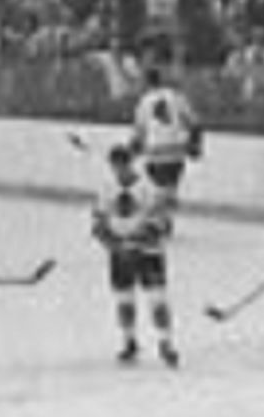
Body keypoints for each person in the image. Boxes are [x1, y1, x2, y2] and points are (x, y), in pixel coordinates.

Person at [91, 145, 177, 368]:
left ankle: (166, 343)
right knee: (124, 301)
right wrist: (114, 245)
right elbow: (98, 225)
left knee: (157, 300)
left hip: (149, 253)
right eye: (115, 166)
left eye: (123, 165)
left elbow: (162, 225)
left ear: (130, 163)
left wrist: (139, 242)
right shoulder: (106, 189)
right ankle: (129, 341)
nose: (119, 171)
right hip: (120, 254)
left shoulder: (150, 189)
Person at [131, 63, 203, 208]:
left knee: (158, 192)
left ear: (146, 82)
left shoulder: (144, 102)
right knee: (170, 189)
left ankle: (162, 219)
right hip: (176, 150)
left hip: (156, 151)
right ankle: (167, 217)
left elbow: (139, 133)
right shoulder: (176, 96)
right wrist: (195, 143)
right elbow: (195, 123)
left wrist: (132, 150)